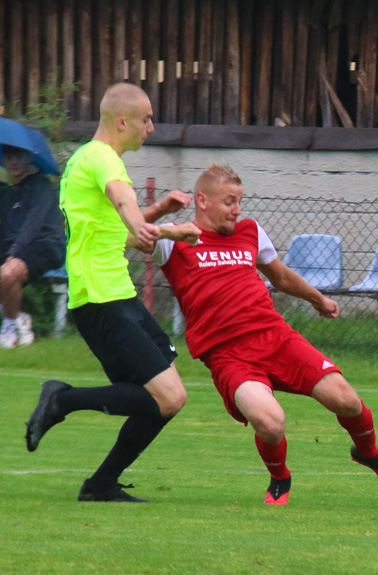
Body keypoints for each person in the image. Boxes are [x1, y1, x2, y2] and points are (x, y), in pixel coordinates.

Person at [152, 163, 378, 505]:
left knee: (345, 399)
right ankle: (279, 478)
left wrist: (319, 299)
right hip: (228, 355)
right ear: (202, 201)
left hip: (275, 337)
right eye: (230, 202)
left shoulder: (250, 231)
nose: (237, 210)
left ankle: (369, 453)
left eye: (240, 201)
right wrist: (160, 215)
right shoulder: (174, 238)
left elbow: (282, 277)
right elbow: (119, 233)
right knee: (270, 422)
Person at [23, 82, 201, 503]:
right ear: (122, 121)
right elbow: (123, 203)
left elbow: (114, 234)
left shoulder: (83, 162)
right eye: (146, 120)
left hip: (115, 296)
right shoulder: (104, 159)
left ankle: (100, 485)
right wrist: (162, 228)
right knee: (168, 397)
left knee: (166, 399)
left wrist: (155, 215)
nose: (151, 128)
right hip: (101, 301)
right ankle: (62, 400)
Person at [0, 144, 66, 348]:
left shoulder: (42, 187)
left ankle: (10, 326)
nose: (13, 162)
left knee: (8, 274)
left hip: (46, 246)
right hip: (15, 248)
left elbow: (32, 226)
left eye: (19, 156)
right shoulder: (8, 193)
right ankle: (19, 317)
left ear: (30, 157)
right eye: (9, 157)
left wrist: (12, 253)